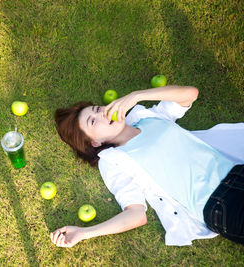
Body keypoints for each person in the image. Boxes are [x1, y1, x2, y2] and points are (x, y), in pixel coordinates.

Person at [50, 85, 244, 247]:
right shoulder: (113, 161)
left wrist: (137, 96)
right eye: (93, 121)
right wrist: (84, 233)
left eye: (98, 109)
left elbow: (190, 94)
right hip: (219, 204)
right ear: (95, 142)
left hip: (236, 170)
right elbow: (136, 214)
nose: (102, 114)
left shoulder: (147, 116)